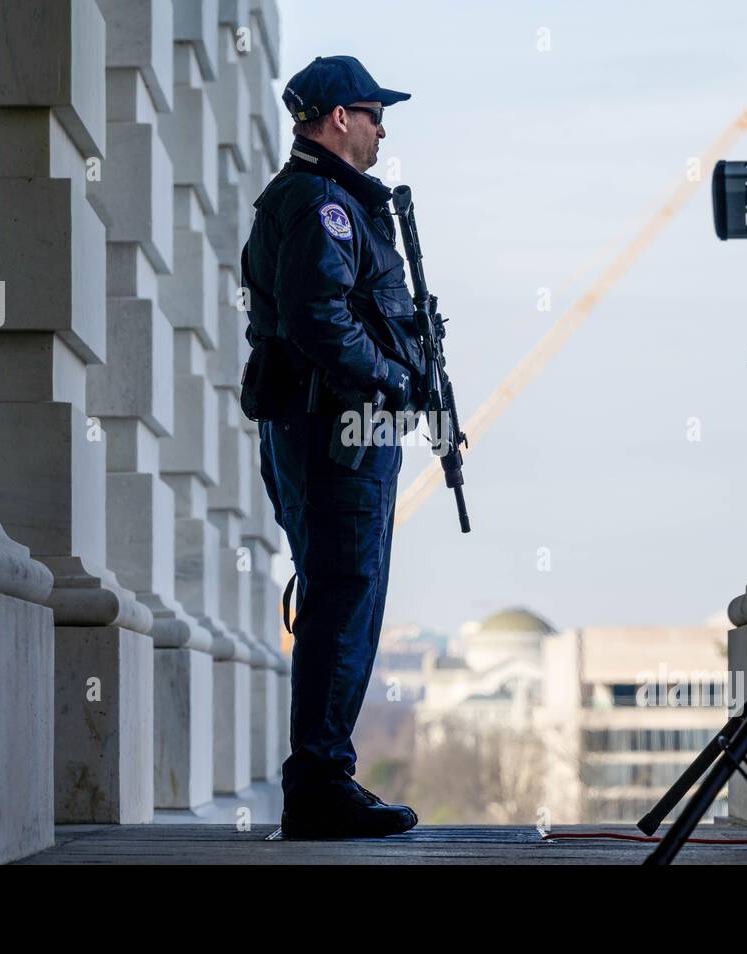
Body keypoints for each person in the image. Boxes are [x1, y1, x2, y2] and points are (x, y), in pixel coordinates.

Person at [239, 55, 424, 839]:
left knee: (344, 595)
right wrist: (389, 378)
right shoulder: (322, 203)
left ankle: (323, 777)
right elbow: (318, 320)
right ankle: (318, 786)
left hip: (336, 428)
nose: (383, 126)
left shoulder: (334, 201)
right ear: (338, 118)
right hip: (335, 429)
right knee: (343, 595)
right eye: (374, 111)